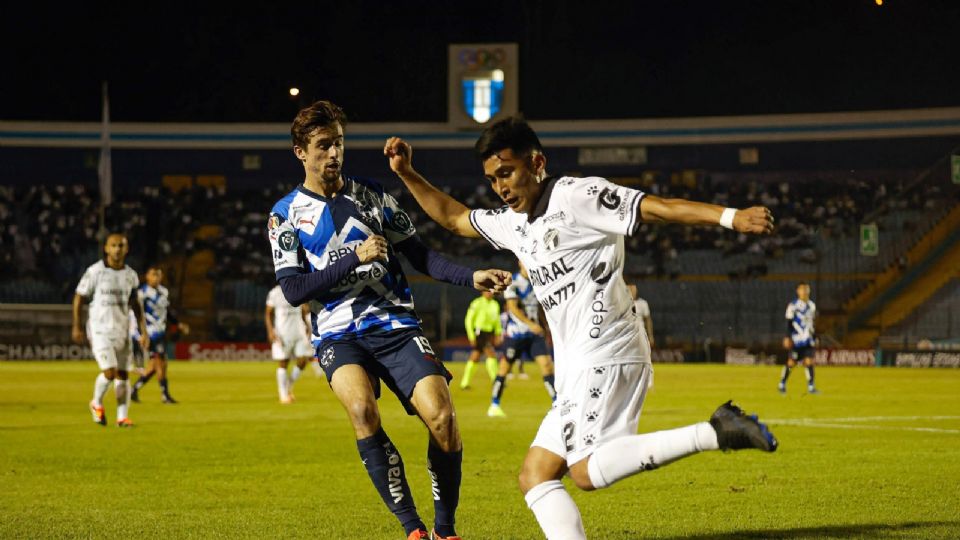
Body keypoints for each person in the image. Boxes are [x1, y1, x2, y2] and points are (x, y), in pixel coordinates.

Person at [384, 116, 779, 540]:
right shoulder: (514, 222)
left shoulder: (577, 195)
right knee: (536, 476)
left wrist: (731, 217)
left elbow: (655, 207)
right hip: (576, 366)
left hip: (610, 349)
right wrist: (407, 173)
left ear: (537, 162)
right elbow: (455, 218)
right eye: (492, 178)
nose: (500, 186)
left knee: (586, 473)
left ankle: (714, 431)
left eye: (506, 172)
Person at [268, 100, 511, 540]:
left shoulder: (374, 196)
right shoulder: (284, 215)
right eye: (323, 146)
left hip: (395, 325)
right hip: (339, 334)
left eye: (339, 143)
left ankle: (445, 529)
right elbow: (294, 290)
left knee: (443, 419)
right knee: (362, 409)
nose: (334, 154)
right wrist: (354, 259)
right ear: (300, 152)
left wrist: (470, 275)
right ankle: (412, 528)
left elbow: (421, 257)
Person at [72, 232, 150, 427]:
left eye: (121, 246)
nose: (117, 249)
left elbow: (136, 304)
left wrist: (143, 331)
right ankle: (96, 403)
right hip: (100, 329)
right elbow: (79, 297)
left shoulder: (130, 275)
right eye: (113, 245)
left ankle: (122, 417)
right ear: (106, 248)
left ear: (126, 249)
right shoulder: (95, 271)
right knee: (110, 371)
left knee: (123, 374)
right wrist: (76, 325)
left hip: (122, 329)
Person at [489, 261, 557, 417]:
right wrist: (530, 324)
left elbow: (539, 307)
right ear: (520, 263)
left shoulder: (537, 281)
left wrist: (544, 326)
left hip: (534, 334)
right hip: (516, 335)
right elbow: (512, 308)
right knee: (504, 369)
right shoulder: (513, 282)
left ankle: (557, 403)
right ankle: (494, 404)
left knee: (547, 365)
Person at [130, 265, 189, 404]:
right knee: (161, 363)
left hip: (161, 331)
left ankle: (134, 390)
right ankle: (165, 395)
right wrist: (140, 333)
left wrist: (177, 324)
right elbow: (136, 313)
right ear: (147, 277)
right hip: (150, 333)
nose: (156, 278)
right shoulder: (142, 293)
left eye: (158, 275)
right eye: (153, 275)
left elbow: (167, 312)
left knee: (155, 365)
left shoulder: (164, 292)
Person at [265, 284, 312, 404]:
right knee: (283, 362)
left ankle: (289, 385)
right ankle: (283, 394)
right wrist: (271, 331)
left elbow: (302, 309)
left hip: (299, 332)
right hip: (282, 333)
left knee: (303, 360)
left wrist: (306, 325)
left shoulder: (298, 289)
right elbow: (268, 313)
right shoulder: (275, 292)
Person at [780, 282, 818, 394]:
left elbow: (813, 323)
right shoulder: (793, 306)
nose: (805, 291)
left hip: (808, 339)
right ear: (798, 291)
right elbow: (788, 323)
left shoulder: (812, 305)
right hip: (796, 340)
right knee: (791, 363)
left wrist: (815, 337)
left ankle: (811, 387)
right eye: (802, 289)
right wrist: (787, 337)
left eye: (806, 289)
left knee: (809, 362)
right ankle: (782, 383)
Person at [461, 290, 501, 390]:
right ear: (482, 292)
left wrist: (498, 334)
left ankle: (465, 382)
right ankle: (496, 381)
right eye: (487, 291)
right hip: (479, 332)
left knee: (475, 356)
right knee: (491, 354)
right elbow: (468, 320)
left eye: (491, 291)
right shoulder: (476, 303)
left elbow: (497, 321)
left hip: (488, 333)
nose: (489, 293)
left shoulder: (495, 304)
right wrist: (471, 336)